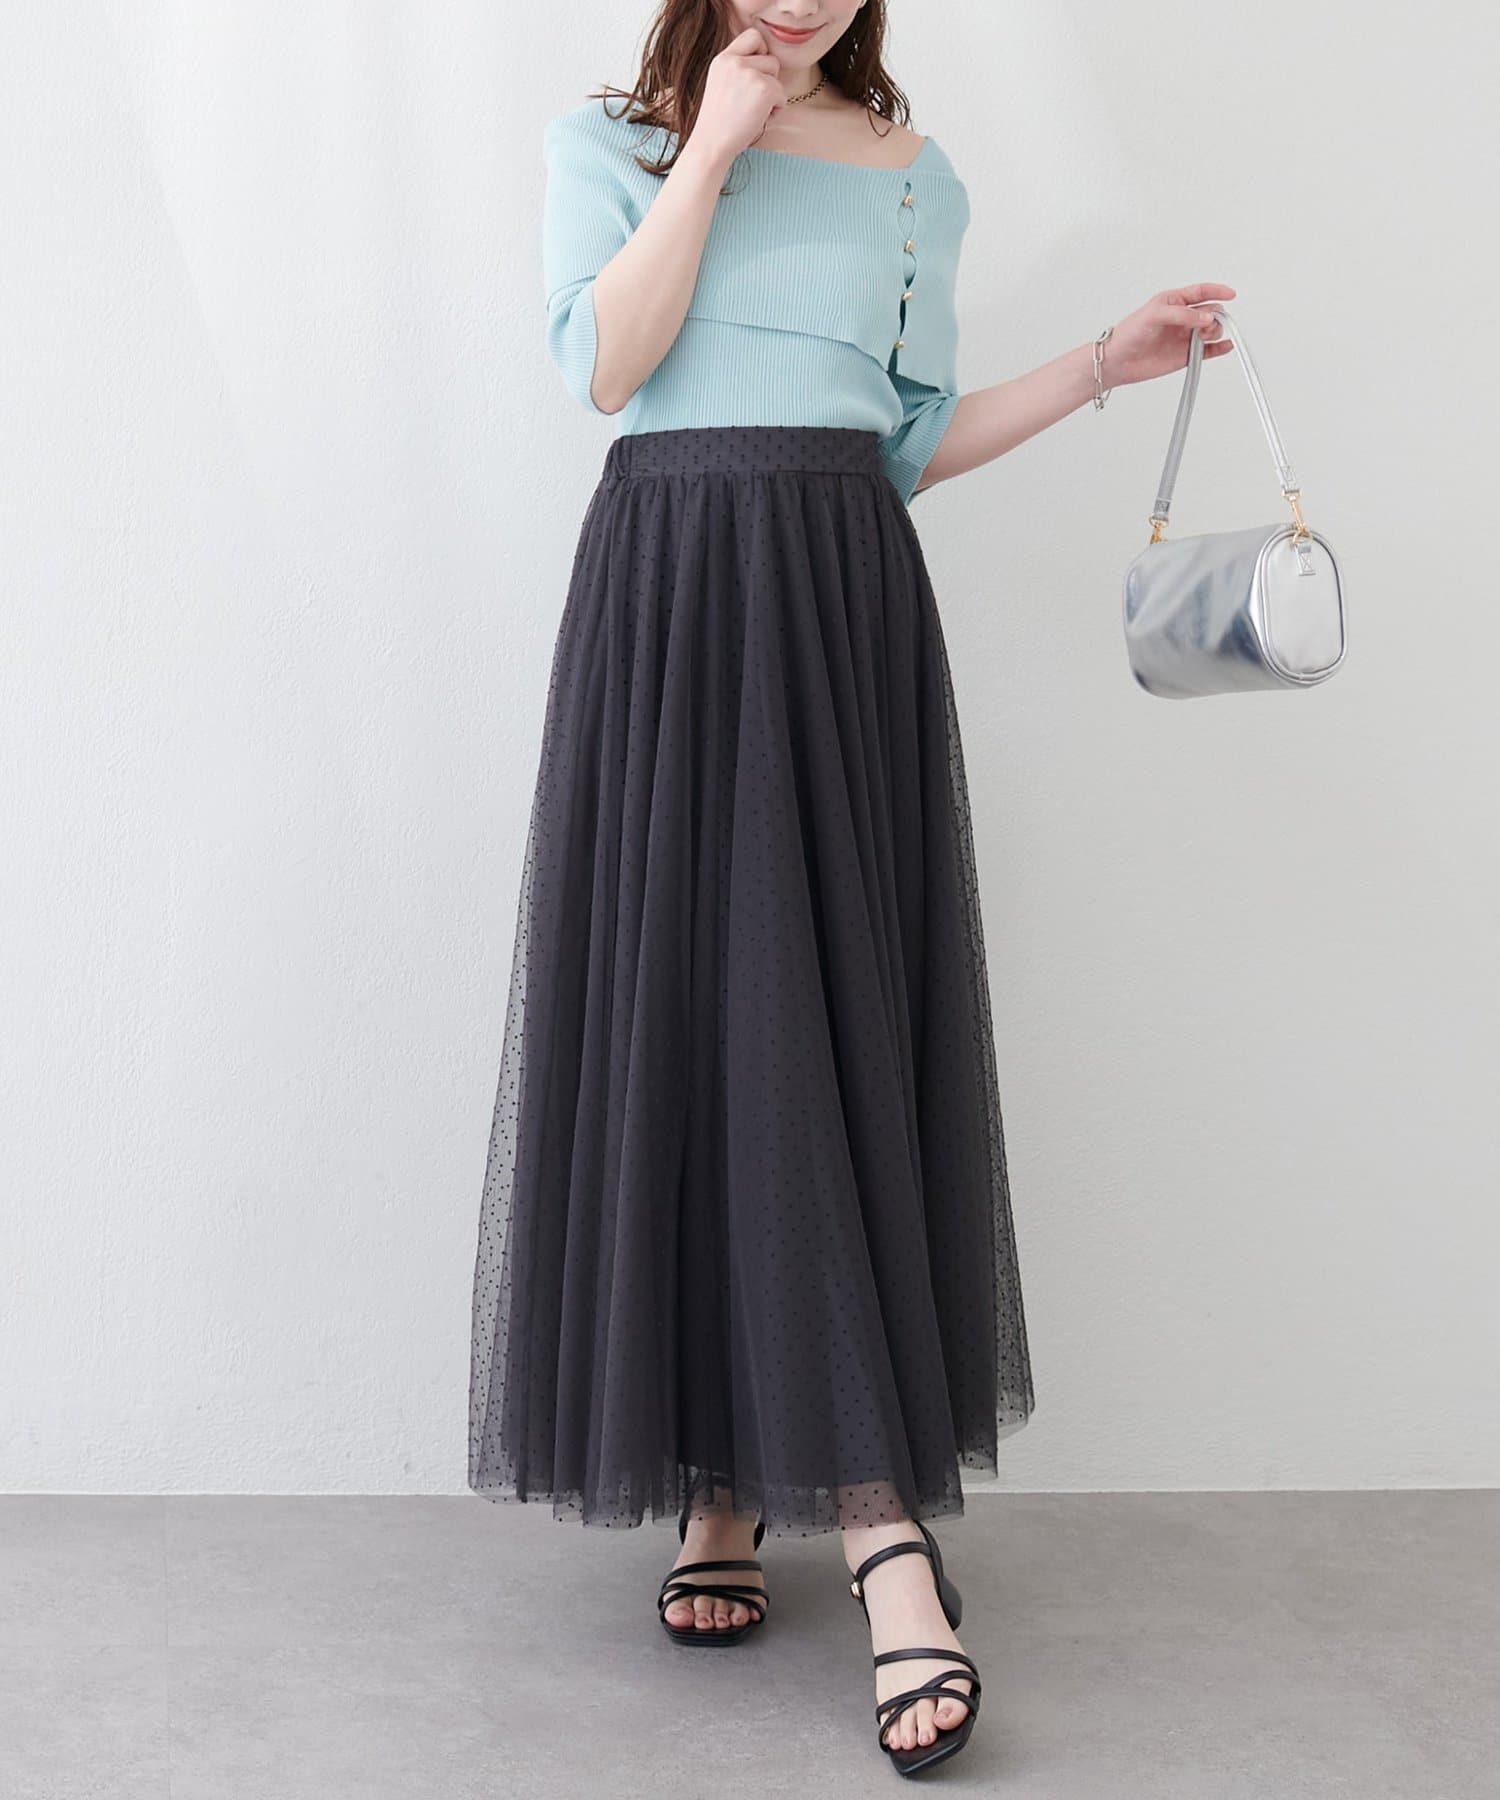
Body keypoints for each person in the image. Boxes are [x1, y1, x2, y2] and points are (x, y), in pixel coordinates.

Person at [468, 0, 1236, 1776]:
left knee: (819, 1028)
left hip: (838, 600)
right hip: (674, 591)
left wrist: (1101, 365)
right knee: (693, 1023)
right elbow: (606, 367)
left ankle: (878, 1525)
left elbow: (899, 441)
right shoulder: (612, 145)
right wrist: (715, 147)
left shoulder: (912, 173)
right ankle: (725, 1487)